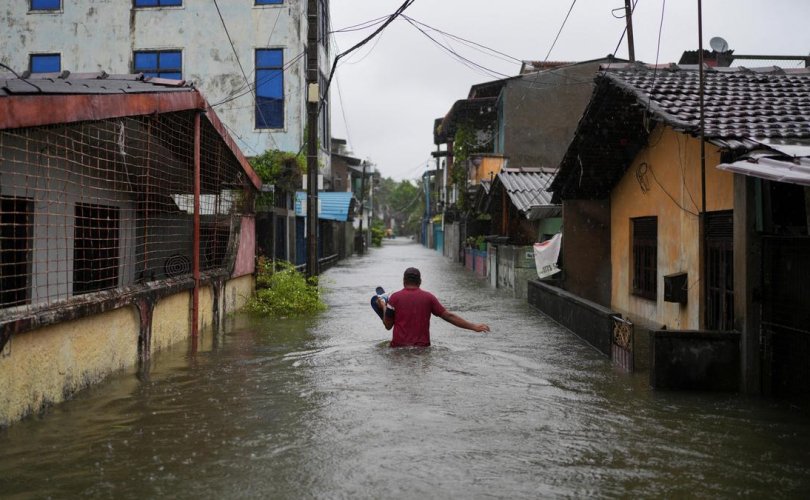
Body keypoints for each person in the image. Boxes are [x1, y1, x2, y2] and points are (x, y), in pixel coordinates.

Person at [377, 267, 490, 347]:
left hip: (398, 350)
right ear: (420, 281)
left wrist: (383, 306)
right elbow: (449, 316)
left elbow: (388, 325)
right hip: (423, 349)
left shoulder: (394, 298)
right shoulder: (429, 298)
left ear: (403, 281)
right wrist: (474, 327)